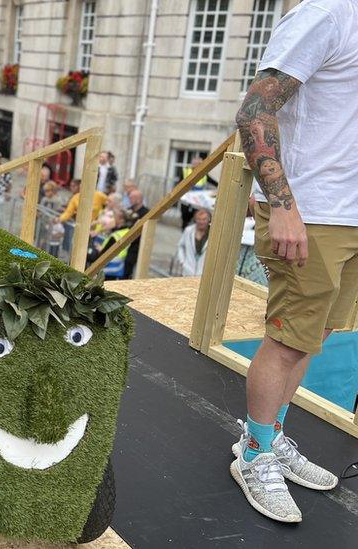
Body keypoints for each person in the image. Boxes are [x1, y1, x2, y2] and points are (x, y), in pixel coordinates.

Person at [229, 0, 355, 524]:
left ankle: (272, 436)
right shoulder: (328, 14)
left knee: (315, 335)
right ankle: (253, 454)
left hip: (350, 215)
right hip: (312, 211)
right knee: (285, 341)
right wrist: (284, 207)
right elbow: (255, 110)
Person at [173, 208, 210, 276]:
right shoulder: (188, 230)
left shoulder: (213, 234)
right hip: (188, 271)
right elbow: (181, 246)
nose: (201, 222)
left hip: (203, 273)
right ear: (195, 219)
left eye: (204, 219)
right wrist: (182, 262)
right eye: (199, 219)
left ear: (208, 220)